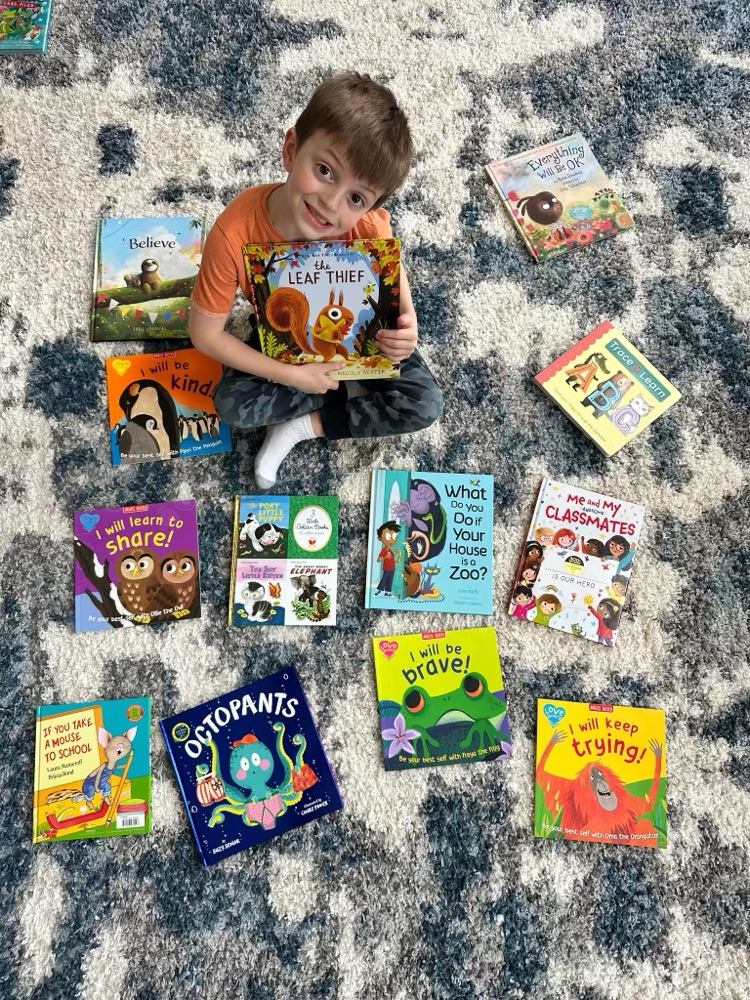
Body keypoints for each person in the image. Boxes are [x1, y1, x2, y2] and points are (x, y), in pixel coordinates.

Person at [190, 72, 443, 488]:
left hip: (363, 334)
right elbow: (205, 335)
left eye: (356, 198)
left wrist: (407, 318)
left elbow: (391, 268)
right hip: (286, 339)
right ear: (291, 150)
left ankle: (302, 426)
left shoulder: (367, 227)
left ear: (370, 206)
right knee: (232, 405)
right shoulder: (234, 232)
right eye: (325, 170)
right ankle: (345, 390)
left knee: (424, 404)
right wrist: (295, 376)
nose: (330, 202)